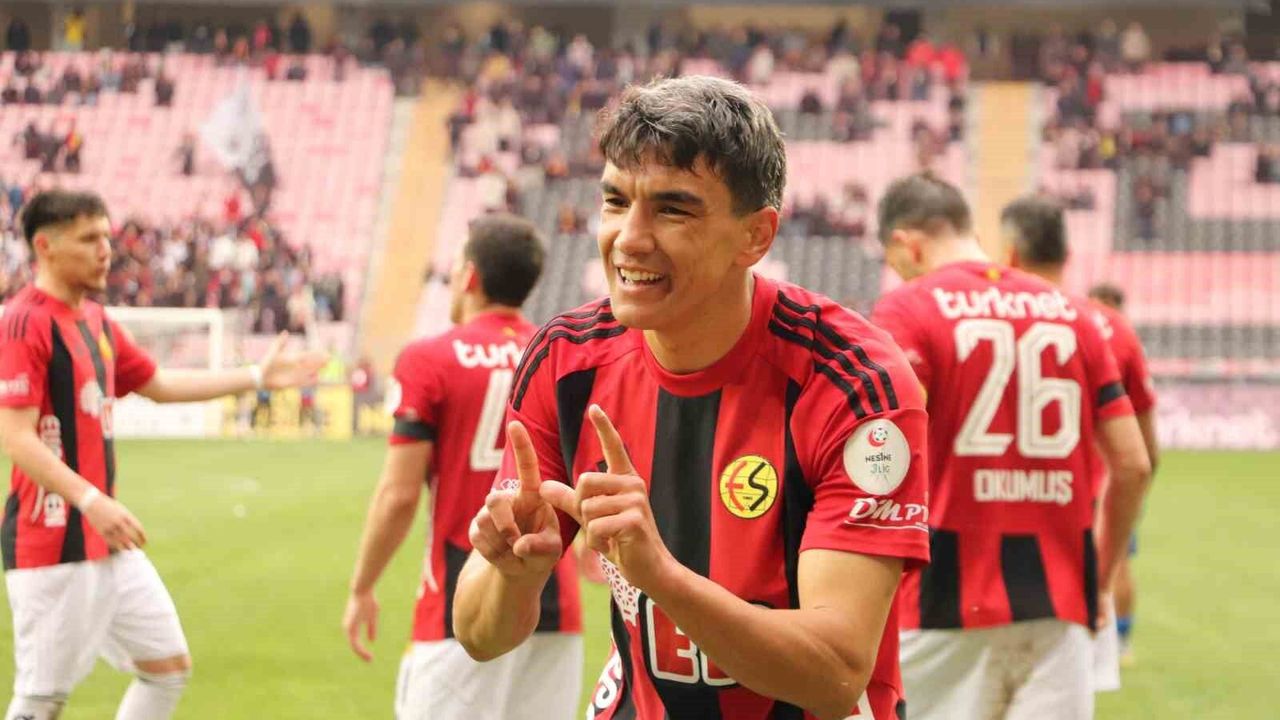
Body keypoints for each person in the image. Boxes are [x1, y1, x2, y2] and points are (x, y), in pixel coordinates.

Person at [453, 76, 929, 720]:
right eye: (616, 201)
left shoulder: (853, 381)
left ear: (756, 236)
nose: (629, 238)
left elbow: (836, 675)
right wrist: (512, 575)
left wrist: (661, 576)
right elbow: (479, 635)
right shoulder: (565, 361)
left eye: (673, 209)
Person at [0, 190, 326, 720]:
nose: (106, 250)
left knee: (167, 668)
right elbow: (15, 437)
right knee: (42, 702)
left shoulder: (96, 321)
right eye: (89, 238)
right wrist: (91, 500)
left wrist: (255, 377)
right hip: (53, 540)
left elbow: (160, 384)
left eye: (107, 236)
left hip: (106, 541)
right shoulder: (23, 322)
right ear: (45, 247)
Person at [870, 175, 1151, 720]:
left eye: (895, 262)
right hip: (1060, 606)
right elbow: (1134, 464)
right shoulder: (1075, 315)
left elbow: (885, 455)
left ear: (908, 244)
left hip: (941, 603)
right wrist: (1100, 578)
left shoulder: (907, 310)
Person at [344, 213, 582, 720]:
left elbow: (399, 496)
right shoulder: (560, 354)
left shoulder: (429, 358)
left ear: (469, 276)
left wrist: (362, 585)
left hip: (464, 600)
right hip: (553, 600)